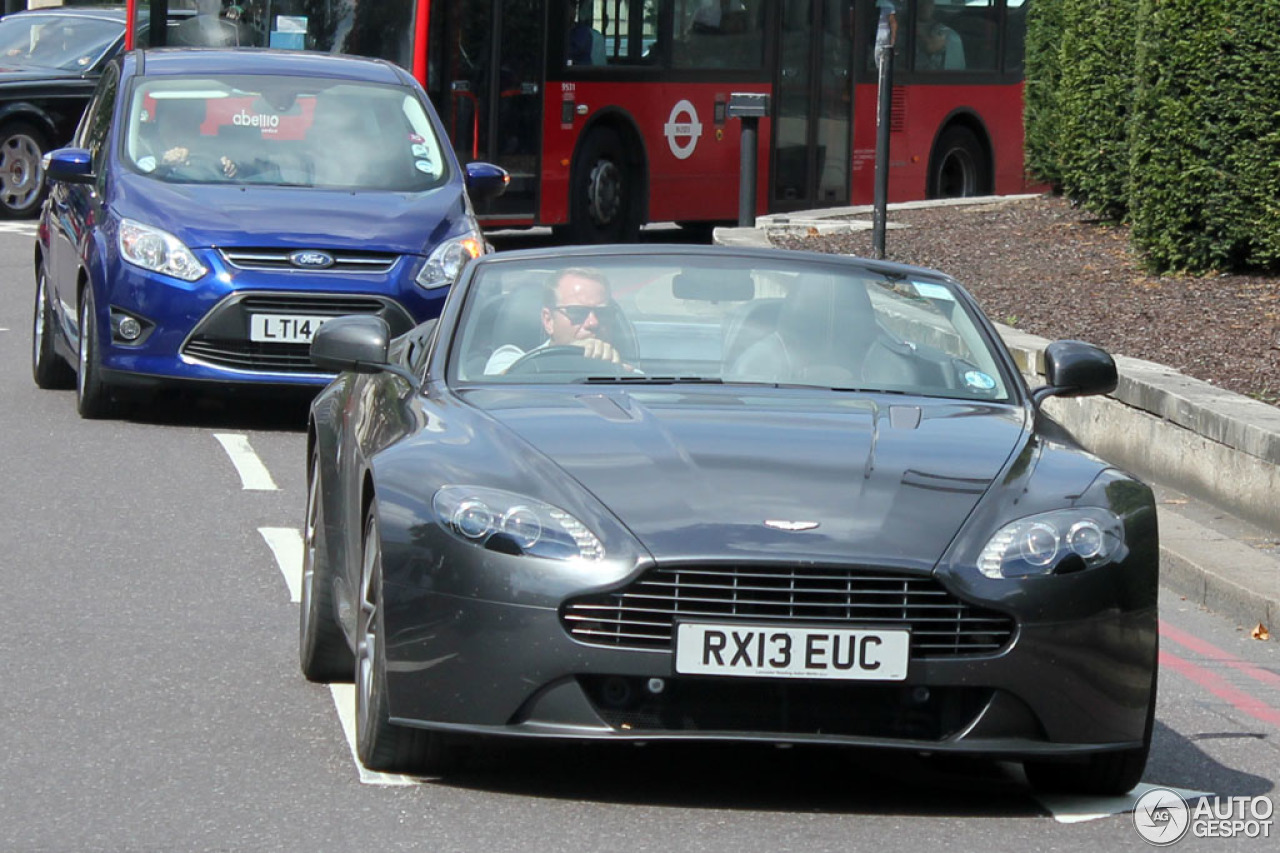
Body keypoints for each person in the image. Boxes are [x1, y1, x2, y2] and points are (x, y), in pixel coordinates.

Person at [485, 268, 625, 374]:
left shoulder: (630, 375)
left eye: (603, 313)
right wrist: (569, 358)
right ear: (548, 320)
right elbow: (491, 394)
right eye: (577, 312)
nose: (593, 322)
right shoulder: (509, 361)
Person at [135, 99, 239, 180]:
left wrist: (228, 169)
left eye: (188, 125)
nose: (180, 133)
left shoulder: (210, 156)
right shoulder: (145, 159)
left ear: (197, 130)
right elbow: (144, 188)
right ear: (159, 126)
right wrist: (164, 166)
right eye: (173, 126)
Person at [915, 0, 964, 71]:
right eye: (921, 2)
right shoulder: (900, 31)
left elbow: (955, 74)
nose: (924, 6)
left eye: (928, 2)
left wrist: (929, 45)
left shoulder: (948, 35)